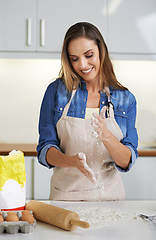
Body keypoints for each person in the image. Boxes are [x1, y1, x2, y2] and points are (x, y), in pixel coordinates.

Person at [37, 22, 138, 201]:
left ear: (101, 51)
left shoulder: (125, 99)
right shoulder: (56, 92)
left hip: (110, 198)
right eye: (74, 59)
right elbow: (45, 149)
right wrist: (72, 162)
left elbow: (126, 161)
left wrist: (107, 136)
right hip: (66, 197)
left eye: (88, 55)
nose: (82, 65)